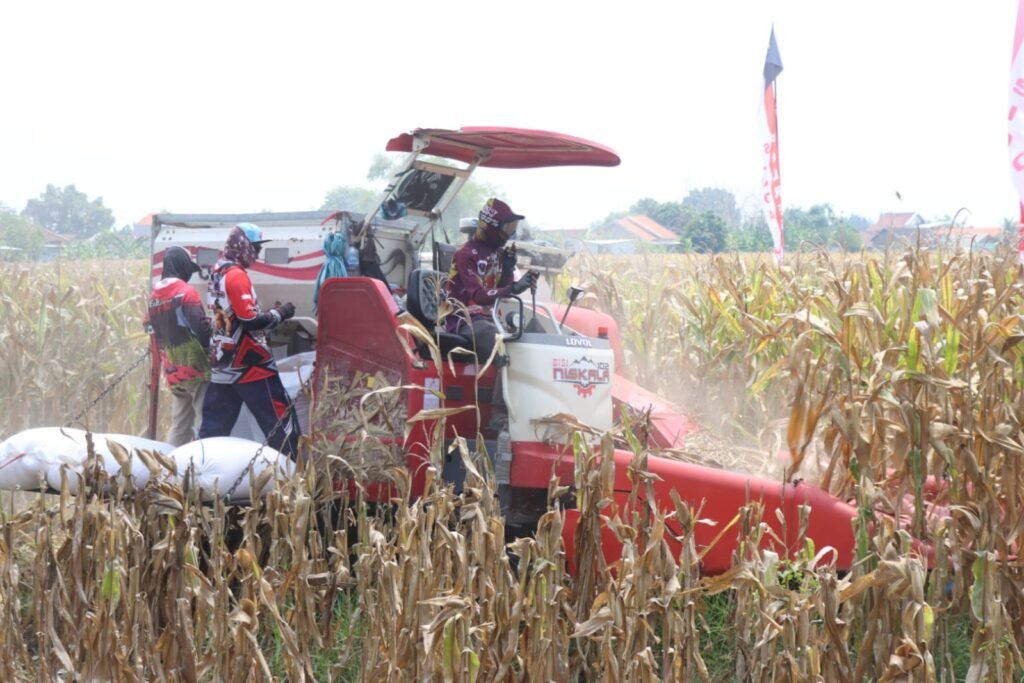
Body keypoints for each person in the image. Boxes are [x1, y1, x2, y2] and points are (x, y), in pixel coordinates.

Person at [199, 223, 301, 457]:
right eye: (254, 247)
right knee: (280, 426)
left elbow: (231, 314)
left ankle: (198, 479)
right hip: (251, 365)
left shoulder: (218, 271)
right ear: (242, 246)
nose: (256, 253)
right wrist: (281, 313)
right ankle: (292, 478)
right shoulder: (236, 276)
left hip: (223, 363)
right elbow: (250, 320)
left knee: (213, 432)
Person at [445, 198, 538, 363]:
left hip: (489, 318)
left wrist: (508, 269)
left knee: (530, 337)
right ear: (491, 226)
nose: (510, 234)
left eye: (512, 228)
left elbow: (499, 290)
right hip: (464, 321)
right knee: (500, 345)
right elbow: (479, 295)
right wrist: (514, 288)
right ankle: (503, 389)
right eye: (507, 228)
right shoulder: (465, 254)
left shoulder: (497, 252)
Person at [147, 247, 211, 446]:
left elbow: (148, 326)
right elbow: (200, 330)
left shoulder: (154, 296)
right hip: (196, 370)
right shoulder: (186, 293)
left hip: (173, 370)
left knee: (180, 424)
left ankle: (171, 466)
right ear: (181, 267)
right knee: (204, 420)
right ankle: (201, 464)